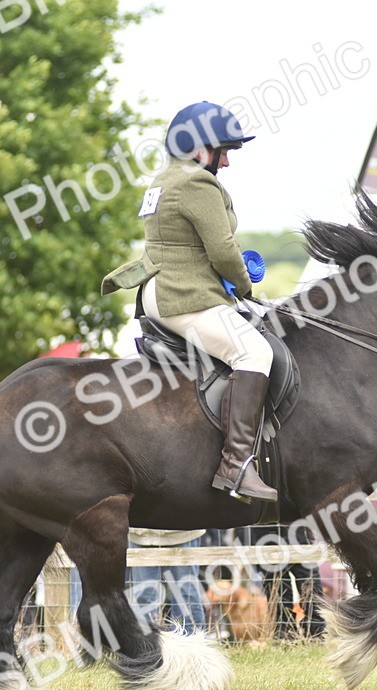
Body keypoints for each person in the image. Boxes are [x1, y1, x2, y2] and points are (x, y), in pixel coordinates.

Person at [101, 101, 275, 503]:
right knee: (255, 354)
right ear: (199, 147)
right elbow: (223, 251)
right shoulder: (198, 183)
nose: (227, 162)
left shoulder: (163, 179)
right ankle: (237, 467)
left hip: (159, 291)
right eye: (224, 151)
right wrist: (246, 287)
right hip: (185, 295)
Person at [127, 529, 207, 636]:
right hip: (141, 533)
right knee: (144, 597)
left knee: (186, 596)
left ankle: (191, 647)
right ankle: (144, 648)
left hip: (184, 530)